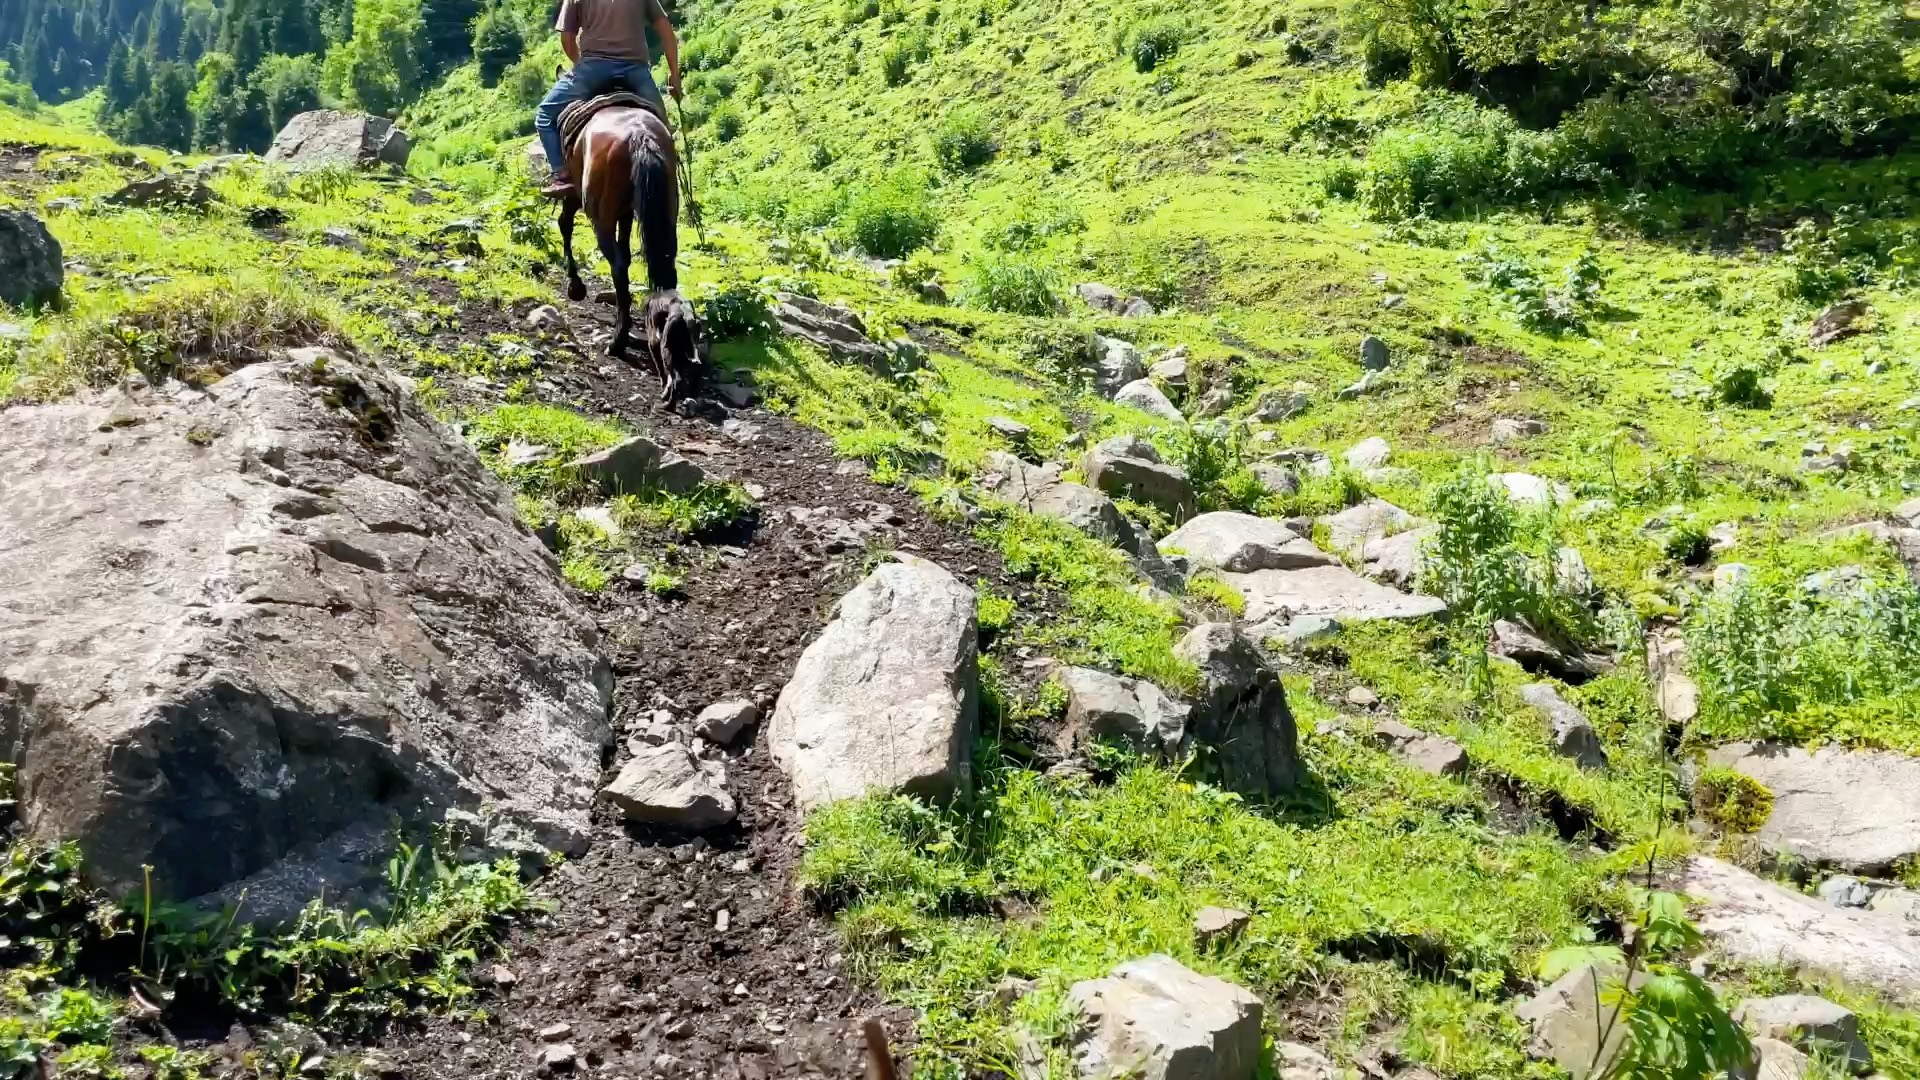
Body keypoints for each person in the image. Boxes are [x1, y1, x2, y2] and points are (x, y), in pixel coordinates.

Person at [536, 0, 684, 198]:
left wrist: (581, 65)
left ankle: (561, 175)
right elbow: (666, 31)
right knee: (663, 127)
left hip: (592, 70)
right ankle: (668, 175)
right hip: (636, 72)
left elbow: (567, 40)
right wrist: (674, 75)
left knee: (545, 115)